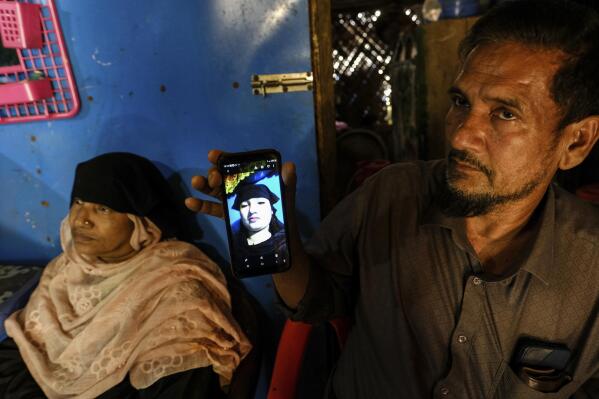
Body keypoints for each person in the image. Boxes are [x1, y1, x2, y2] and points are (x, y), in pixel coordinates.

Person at [186, 1, 599, 397]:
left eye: (505, 113)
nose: (460, 136)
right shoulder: (391, 193)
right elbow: (315, 301)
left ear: (576, 141)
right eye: (460, 103)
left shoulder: (591, 267)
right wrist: (281, 239)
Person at [1, 152, 251, 399]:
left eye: (103, 208)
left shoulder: (177, 293)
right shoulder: (66, 270)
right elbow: (15, 355)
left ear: (141, 223)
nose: (81, 220)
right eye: (78, 202)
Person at [229, 184, 287, 265]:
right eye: (245, 205)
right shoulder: (233, 246)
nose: (252, 210)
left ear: (271, 210)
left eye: (260, 203)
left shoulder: (286, 242)